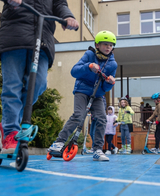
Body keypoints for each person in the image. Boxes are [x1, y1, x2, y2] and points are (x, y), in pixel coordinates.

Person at [0, 0, 79, 154]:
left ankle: (6, 124)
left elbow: (59, 3)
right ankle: (11, 132)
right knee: (12, 86)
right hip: (14, 34)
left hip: (42, 37)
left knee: (38, 84)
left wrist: (68, 16)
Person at [49, 30, 118, 161]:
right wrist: (88, 66)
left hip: (97, 95)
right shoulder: (89, 54)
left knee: (101, 118)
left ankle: (97, 150)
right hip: (82, 91)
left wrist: (110, 83)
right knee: (78, 115)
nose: (108, 47)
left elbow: (105, 88)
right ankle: (58, 142)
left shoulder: (112, 64)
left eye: (110, 45)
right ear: (97, 45)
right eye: (105, 44)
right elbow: (74, 72)